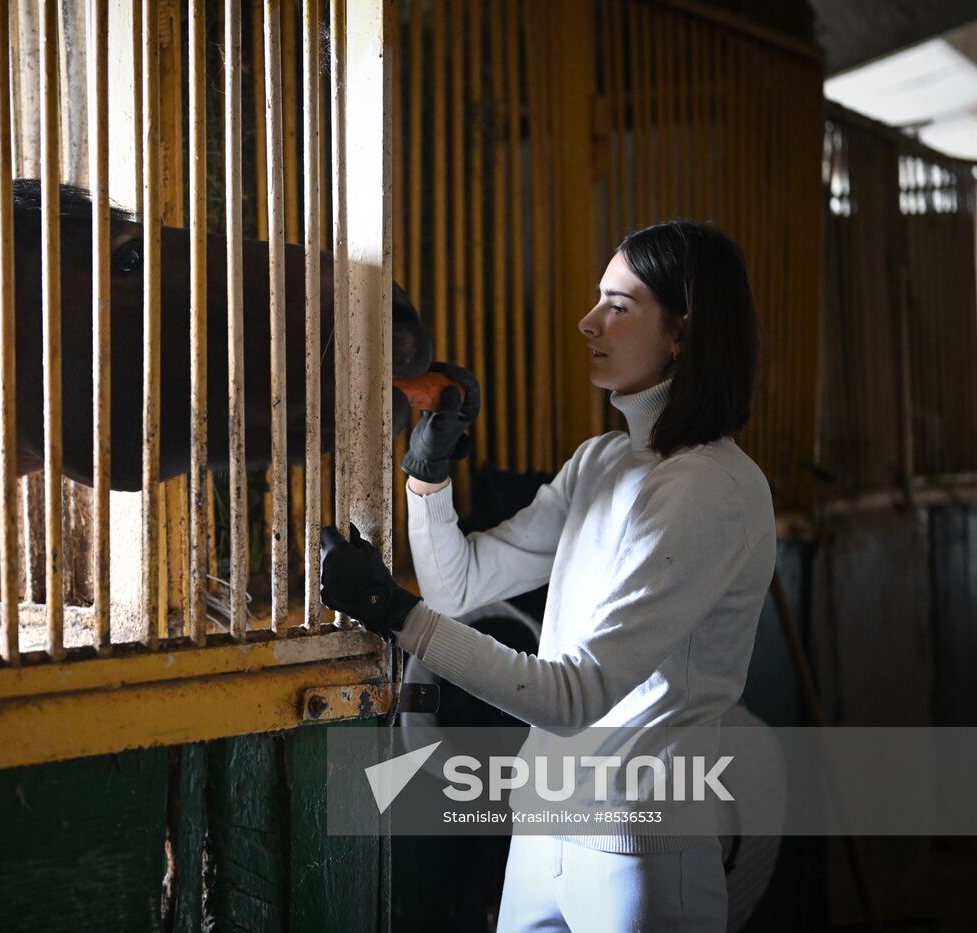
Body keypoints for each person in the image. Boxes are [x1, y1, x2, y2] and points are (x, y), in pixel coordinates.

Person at [319, 221, 776, 932]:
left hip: (638, 851)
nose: (587, 321)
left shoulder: (711, 489)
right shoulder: (601, 461)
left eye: (619, 307)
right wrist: (429, 475)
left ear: (683, 333)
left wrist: (393, 611)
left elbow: (575, 694)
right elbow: (460, 588)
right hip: (541, 834)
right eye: (598, 299)